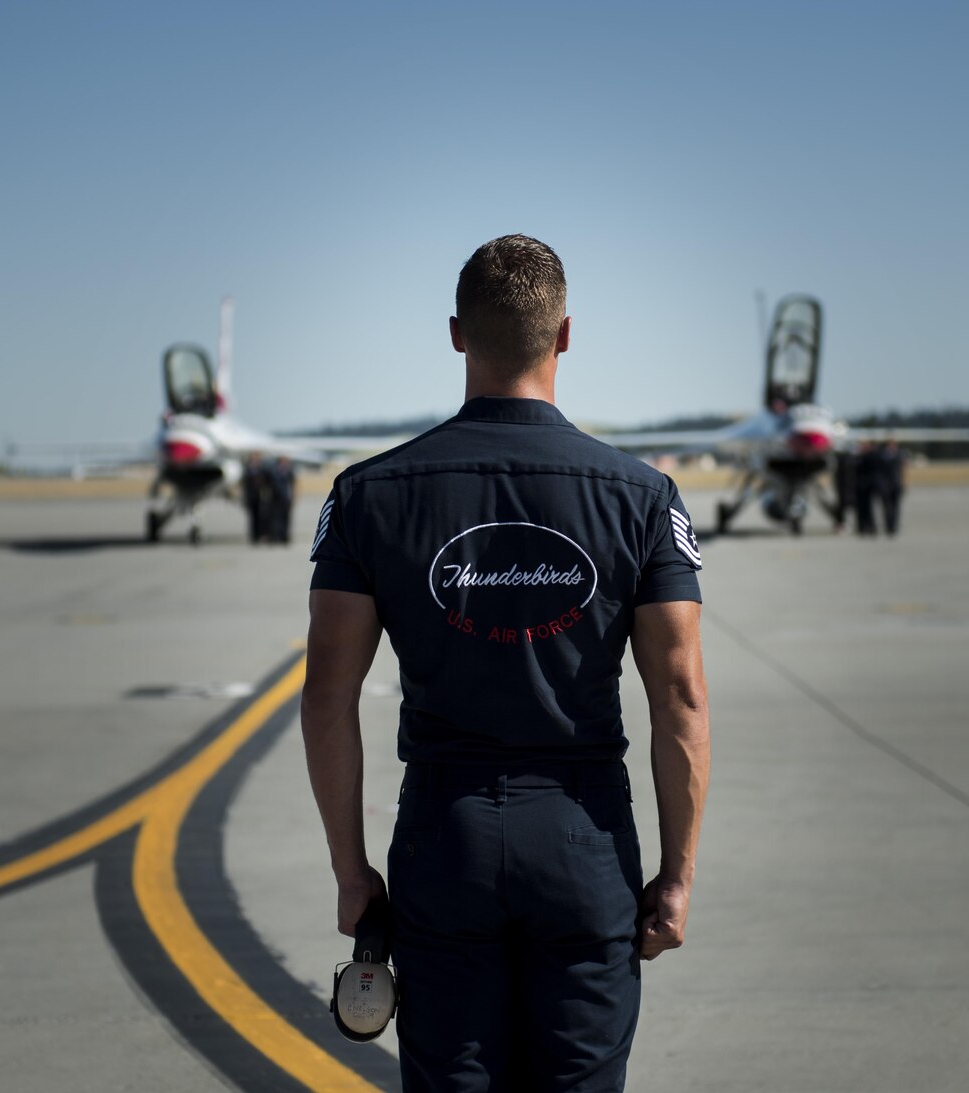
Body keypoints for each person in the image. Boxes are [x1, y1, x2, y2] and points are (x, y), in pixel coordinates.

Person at [302, 235, 711, 1092]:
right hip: (583, 837)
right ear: (564, 335)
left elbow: (327, 694)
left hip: (443, 838)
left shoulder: (369, 493)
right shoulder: (640, 496)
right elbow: (678, 697)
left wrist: (351, 871)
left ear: (457, 334)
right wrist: (675, 876)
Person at [877, 439, 907, 538]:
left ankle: (894, 525)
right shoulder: (882, 456)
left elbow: (903, 470)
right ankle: (889, 526)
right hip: (885, 484)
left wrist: (903, 482)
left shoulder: (899, 455)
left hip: (896, 484)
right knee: (887, 507)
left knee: (896, 506)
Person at [853, 441, 881, 537]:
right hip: (860, 486)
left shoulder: (871, 457)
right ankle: (862, 527)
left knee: (869, 508)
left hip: (868, 486)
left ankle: (870, 527)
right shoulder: (859, 457)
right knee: (861, 508)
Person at [243, 452, 272, 545]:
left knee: (263, 516)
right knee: (253, 517)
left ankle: (262, 535)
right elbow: (245, 483)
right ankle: (254, 536)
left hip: (261, 496)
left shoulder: (263, 469)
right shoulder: (248, 469)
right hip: (252, 496)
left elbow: (268, 482)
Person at [266, 455, 296, 544]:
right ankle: (275, 536)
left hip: (286, 498)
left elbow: (293, 485)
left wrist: (294, 496)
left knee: (286, 518)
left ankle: (284, 536)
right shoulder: (273, 472)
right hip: (275, 498)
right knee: (275, 518)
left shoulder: (289, 472)